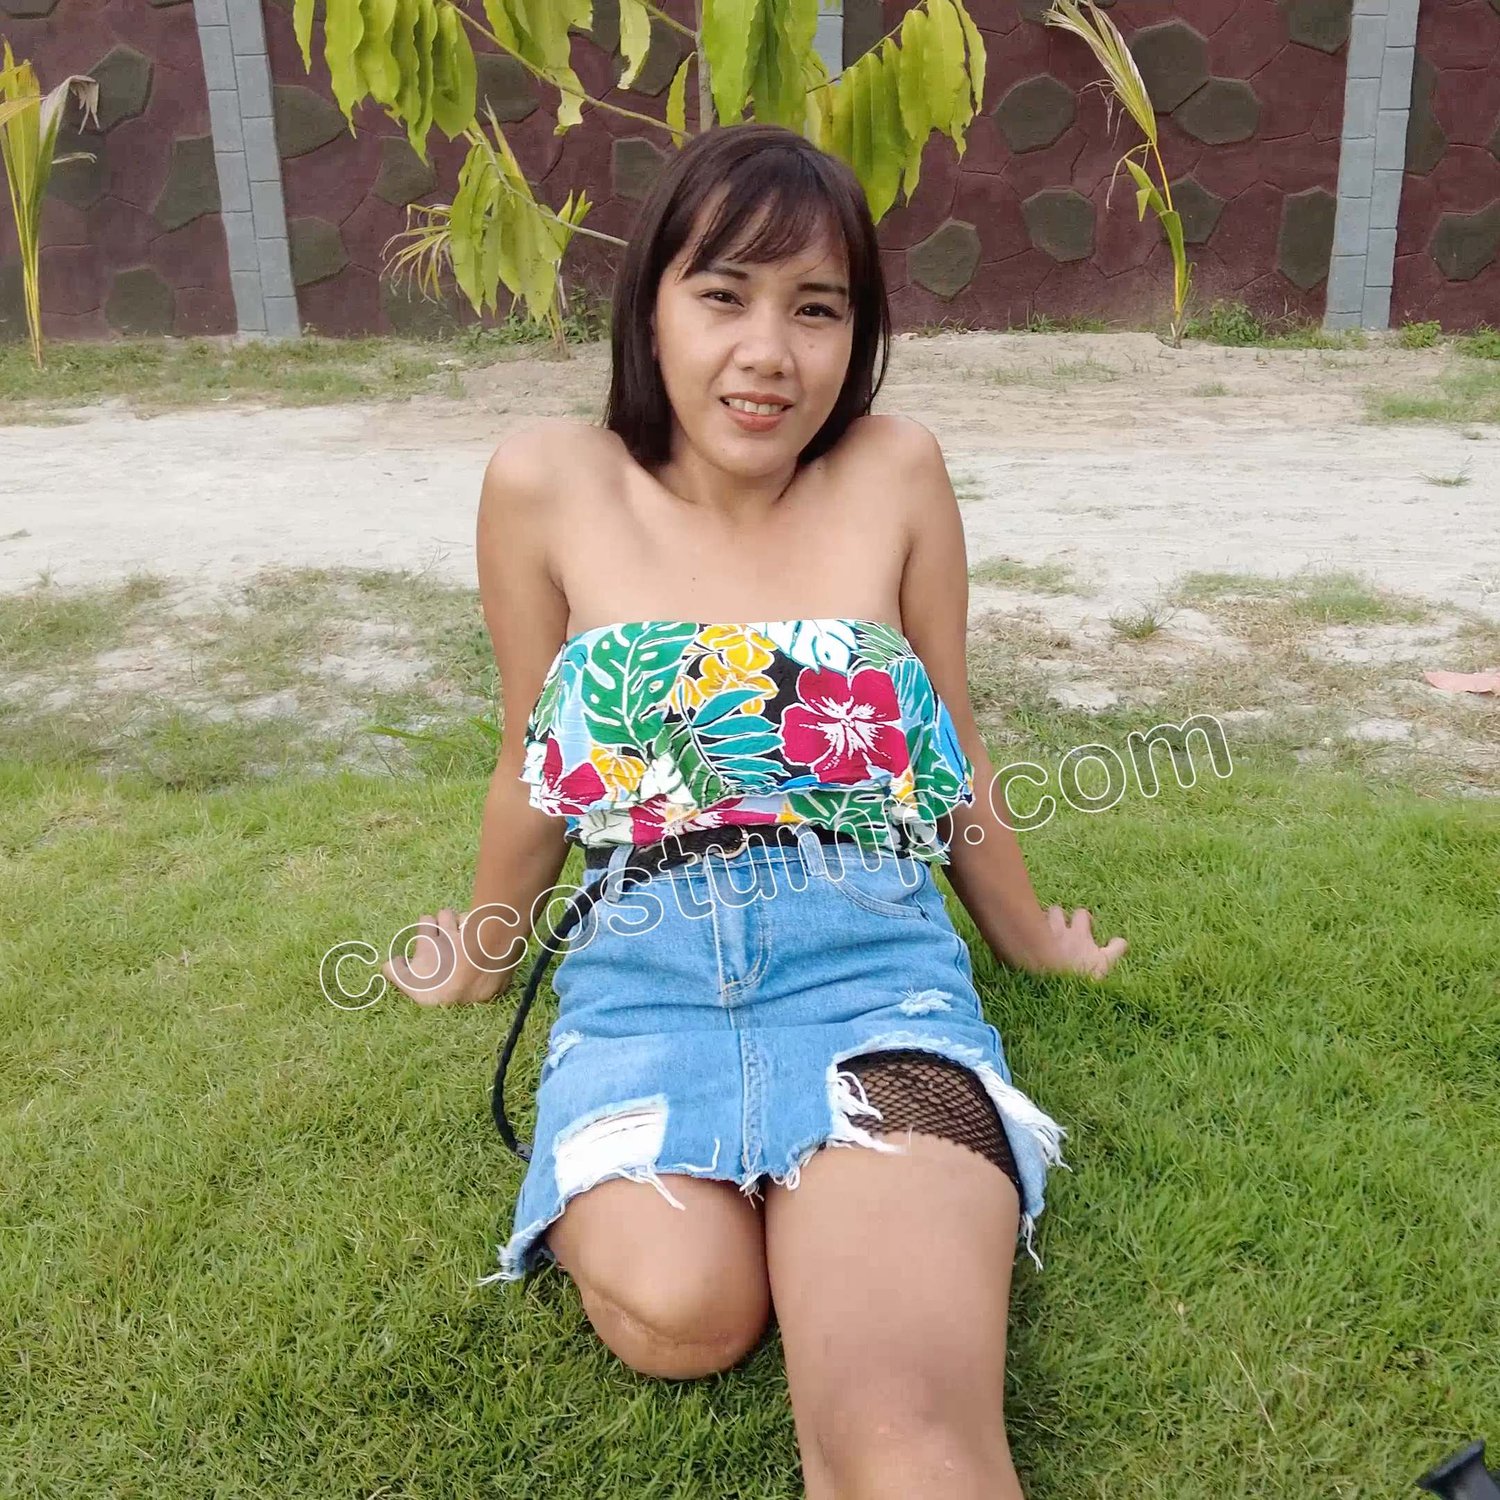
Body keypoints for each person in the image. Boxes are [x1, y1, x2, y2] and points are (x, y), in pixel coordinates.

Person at [382, 122, 1127, 1499]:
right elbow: (531, 758)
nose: (768, 351)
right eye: (723, 294)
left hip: (871, 979)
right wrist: (478, 960)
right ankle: (812, 1236)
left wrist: (1032, 941)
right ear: (652, 304)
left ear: (860, 332)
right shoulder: (547, 482)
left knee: (900, 1424)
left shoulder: (896, 471)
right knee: (688, 1313)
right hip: (639, 990)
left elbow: (950, 739)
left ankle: (860, 1234)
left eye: (817, 308)